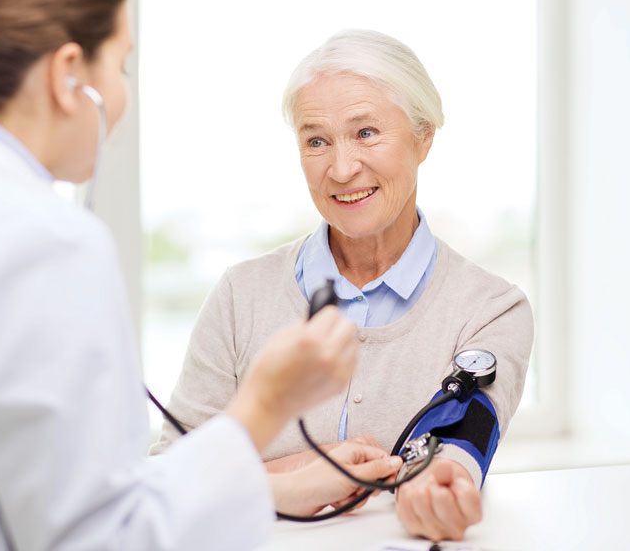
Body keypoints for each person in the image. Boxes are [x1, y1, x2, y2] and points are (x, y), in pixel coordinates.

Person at [0, 0, 401, 550]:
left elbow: (35, 492)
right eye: (121, 65)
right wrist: (266, 405)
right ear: (68, 74)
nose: (123, 96)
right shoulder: (41, 242)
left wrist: (276, 489)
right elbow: (103, 539)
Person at [153, 30, 535, 541]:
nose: (341, 168)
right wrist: (294, 478)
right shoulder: (238, 297)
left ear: (424, 136)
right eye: (316, 140)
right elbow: (164, 480)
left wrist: (437, 485)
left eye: (366, 133)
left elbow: (458, 447)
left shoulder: (491, 309)